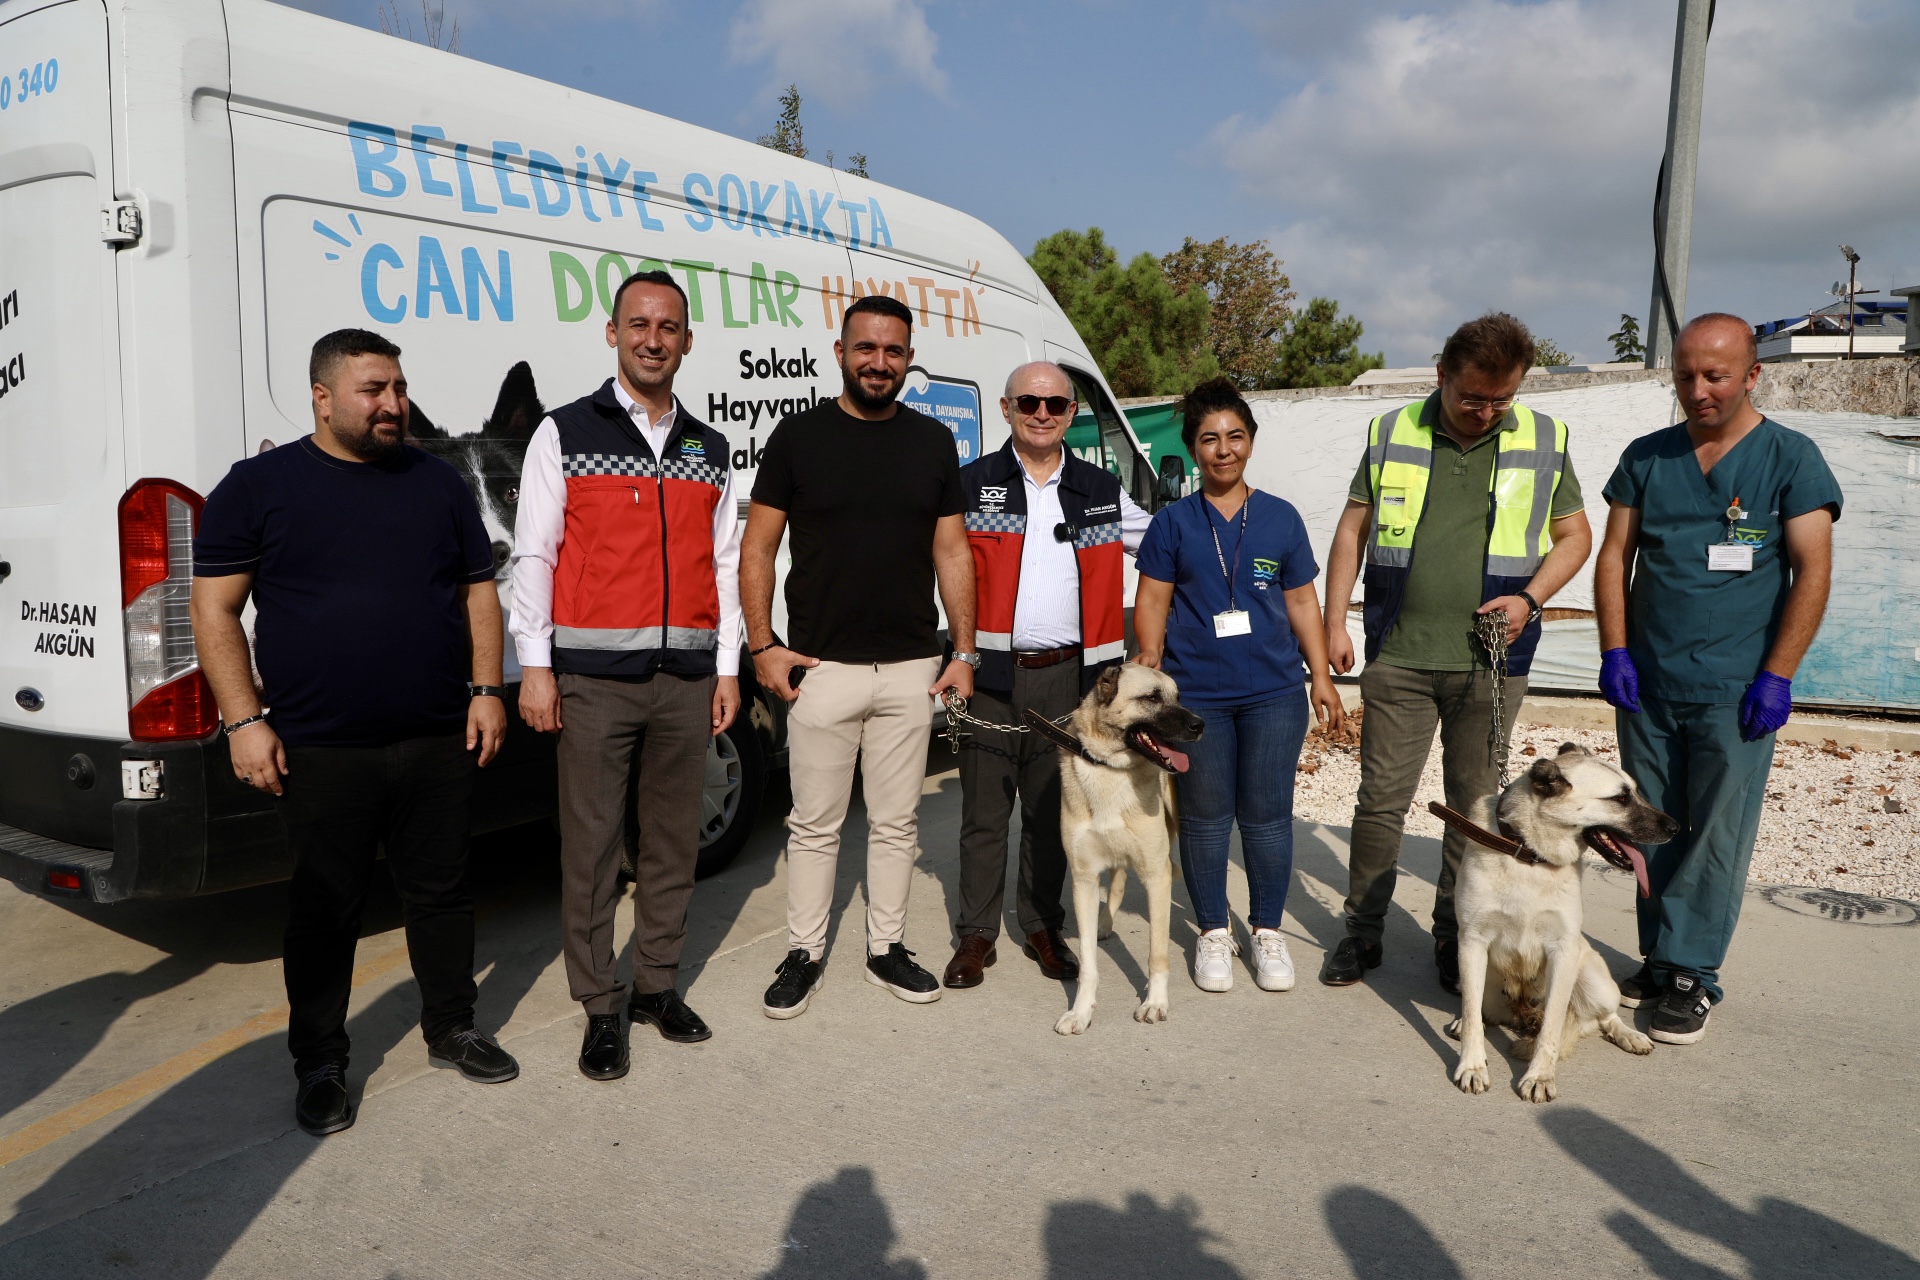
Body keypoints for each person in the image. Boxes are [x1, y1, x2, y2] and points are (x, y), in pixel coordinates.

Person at [190, 329, 517, 1138]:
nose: (393, 405)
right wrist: (244, 720)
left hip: (436, 733)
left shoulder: (435, 483)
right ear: (323, 395)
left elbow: (479, 593)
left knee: (442, 893)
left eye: (399, 388)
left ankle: (453, 1026)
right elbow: (214, 609)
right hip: (320, 745)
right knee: (325, 909)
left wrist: (485, 690)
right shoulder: (259, 486)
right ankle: (322, 1064)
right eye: (375, 389)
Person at [509, 270, 740, 1081]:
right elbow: (534, 553)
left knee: (674, 844)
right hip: (593, 683)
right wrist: (534, 668)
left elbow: (721, 562)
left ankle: (657, 987)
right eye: (638, 323)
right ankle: (601, 1007)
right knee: (594, 848)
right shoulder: (563, 432)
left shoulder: (708, 449)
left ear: (686, 340)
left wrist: (726, 668)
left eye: (668, 326)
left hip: (684, 680)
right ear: (613, 334)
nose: (653, 338)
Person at [1320, 312, 1592, 993]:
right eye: (1473, 397)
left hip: (1491, 666)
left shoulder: (1544, 437)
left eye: (1502, 399)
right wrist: (1333, 623)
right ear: (1442, 375)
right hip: (1400, 657)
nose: (1487, 411)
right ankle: (1362, 931)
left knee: (1473, 807)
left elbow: (1575, 537)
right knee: (1381, 801)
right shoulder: (1391, 432)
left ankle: (1453, 935)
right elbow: (1352, 532)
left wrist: (1529, 599)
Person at [1595, 312, 1840, 1045]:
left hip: (1736, 687)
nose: (1698, 391)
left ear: (1753, 375)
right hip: (1650, 682)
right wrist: (1615, 652)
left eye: (1716, 376)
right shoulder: (1648, 457)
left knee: (1716, 833)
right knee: (1648, 823)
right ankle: (1661, 955)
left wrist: (1778, 674)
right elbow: (1615, 557)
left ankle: (1693, 975)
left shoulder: (1790, 459)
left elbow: (1813, 570)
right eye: (1685, 377)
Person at [743, 294, 978, 1018]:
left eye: (894, 351)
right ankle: (804, 953)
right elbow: (757, 547)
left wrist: (962, 650)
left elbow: (952, 550)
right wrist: (763, 645)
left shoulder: (933, 443)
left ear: (910, 360)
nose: (880, 362)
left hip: (910, 666)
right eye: (866, 348)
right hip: (819, 668)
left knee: (895, 823)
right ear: (839, 351)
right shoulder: (797, 438)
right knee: (813, 826)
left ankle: (886, 949)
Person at [943, 361, 1152, 990]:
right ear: (1006, 408)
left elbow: (1168, 545)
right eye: (1028, 402)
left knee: (1046, 812)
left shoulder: (1099, 488)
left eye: (1055, 405)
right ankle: (977, 935)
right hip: (988, 679)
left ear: (1070, 414)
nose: (1041, 413)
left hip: (1070, 681)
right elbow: (934, 562)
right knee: (983, 815)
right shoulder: (970, 483)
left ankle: (1040, 924)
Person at [1133, 377, 1345, 994]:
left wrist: (1322, 679)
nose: (1223, 449)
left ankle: (1268, 930)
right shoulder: (1173, 523)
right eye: (1209, 439)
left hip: (1274, 693)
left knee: (1268, 817)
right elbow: (1152, 599)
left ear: (1250, 441)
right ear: (1193, 449)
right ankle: (1212, 934)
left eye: (1235, 436)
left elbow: (1303, 602)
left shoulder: (1279, 518)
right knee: (1204, 819)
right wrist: (1150, 659)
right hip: (1196, 695)